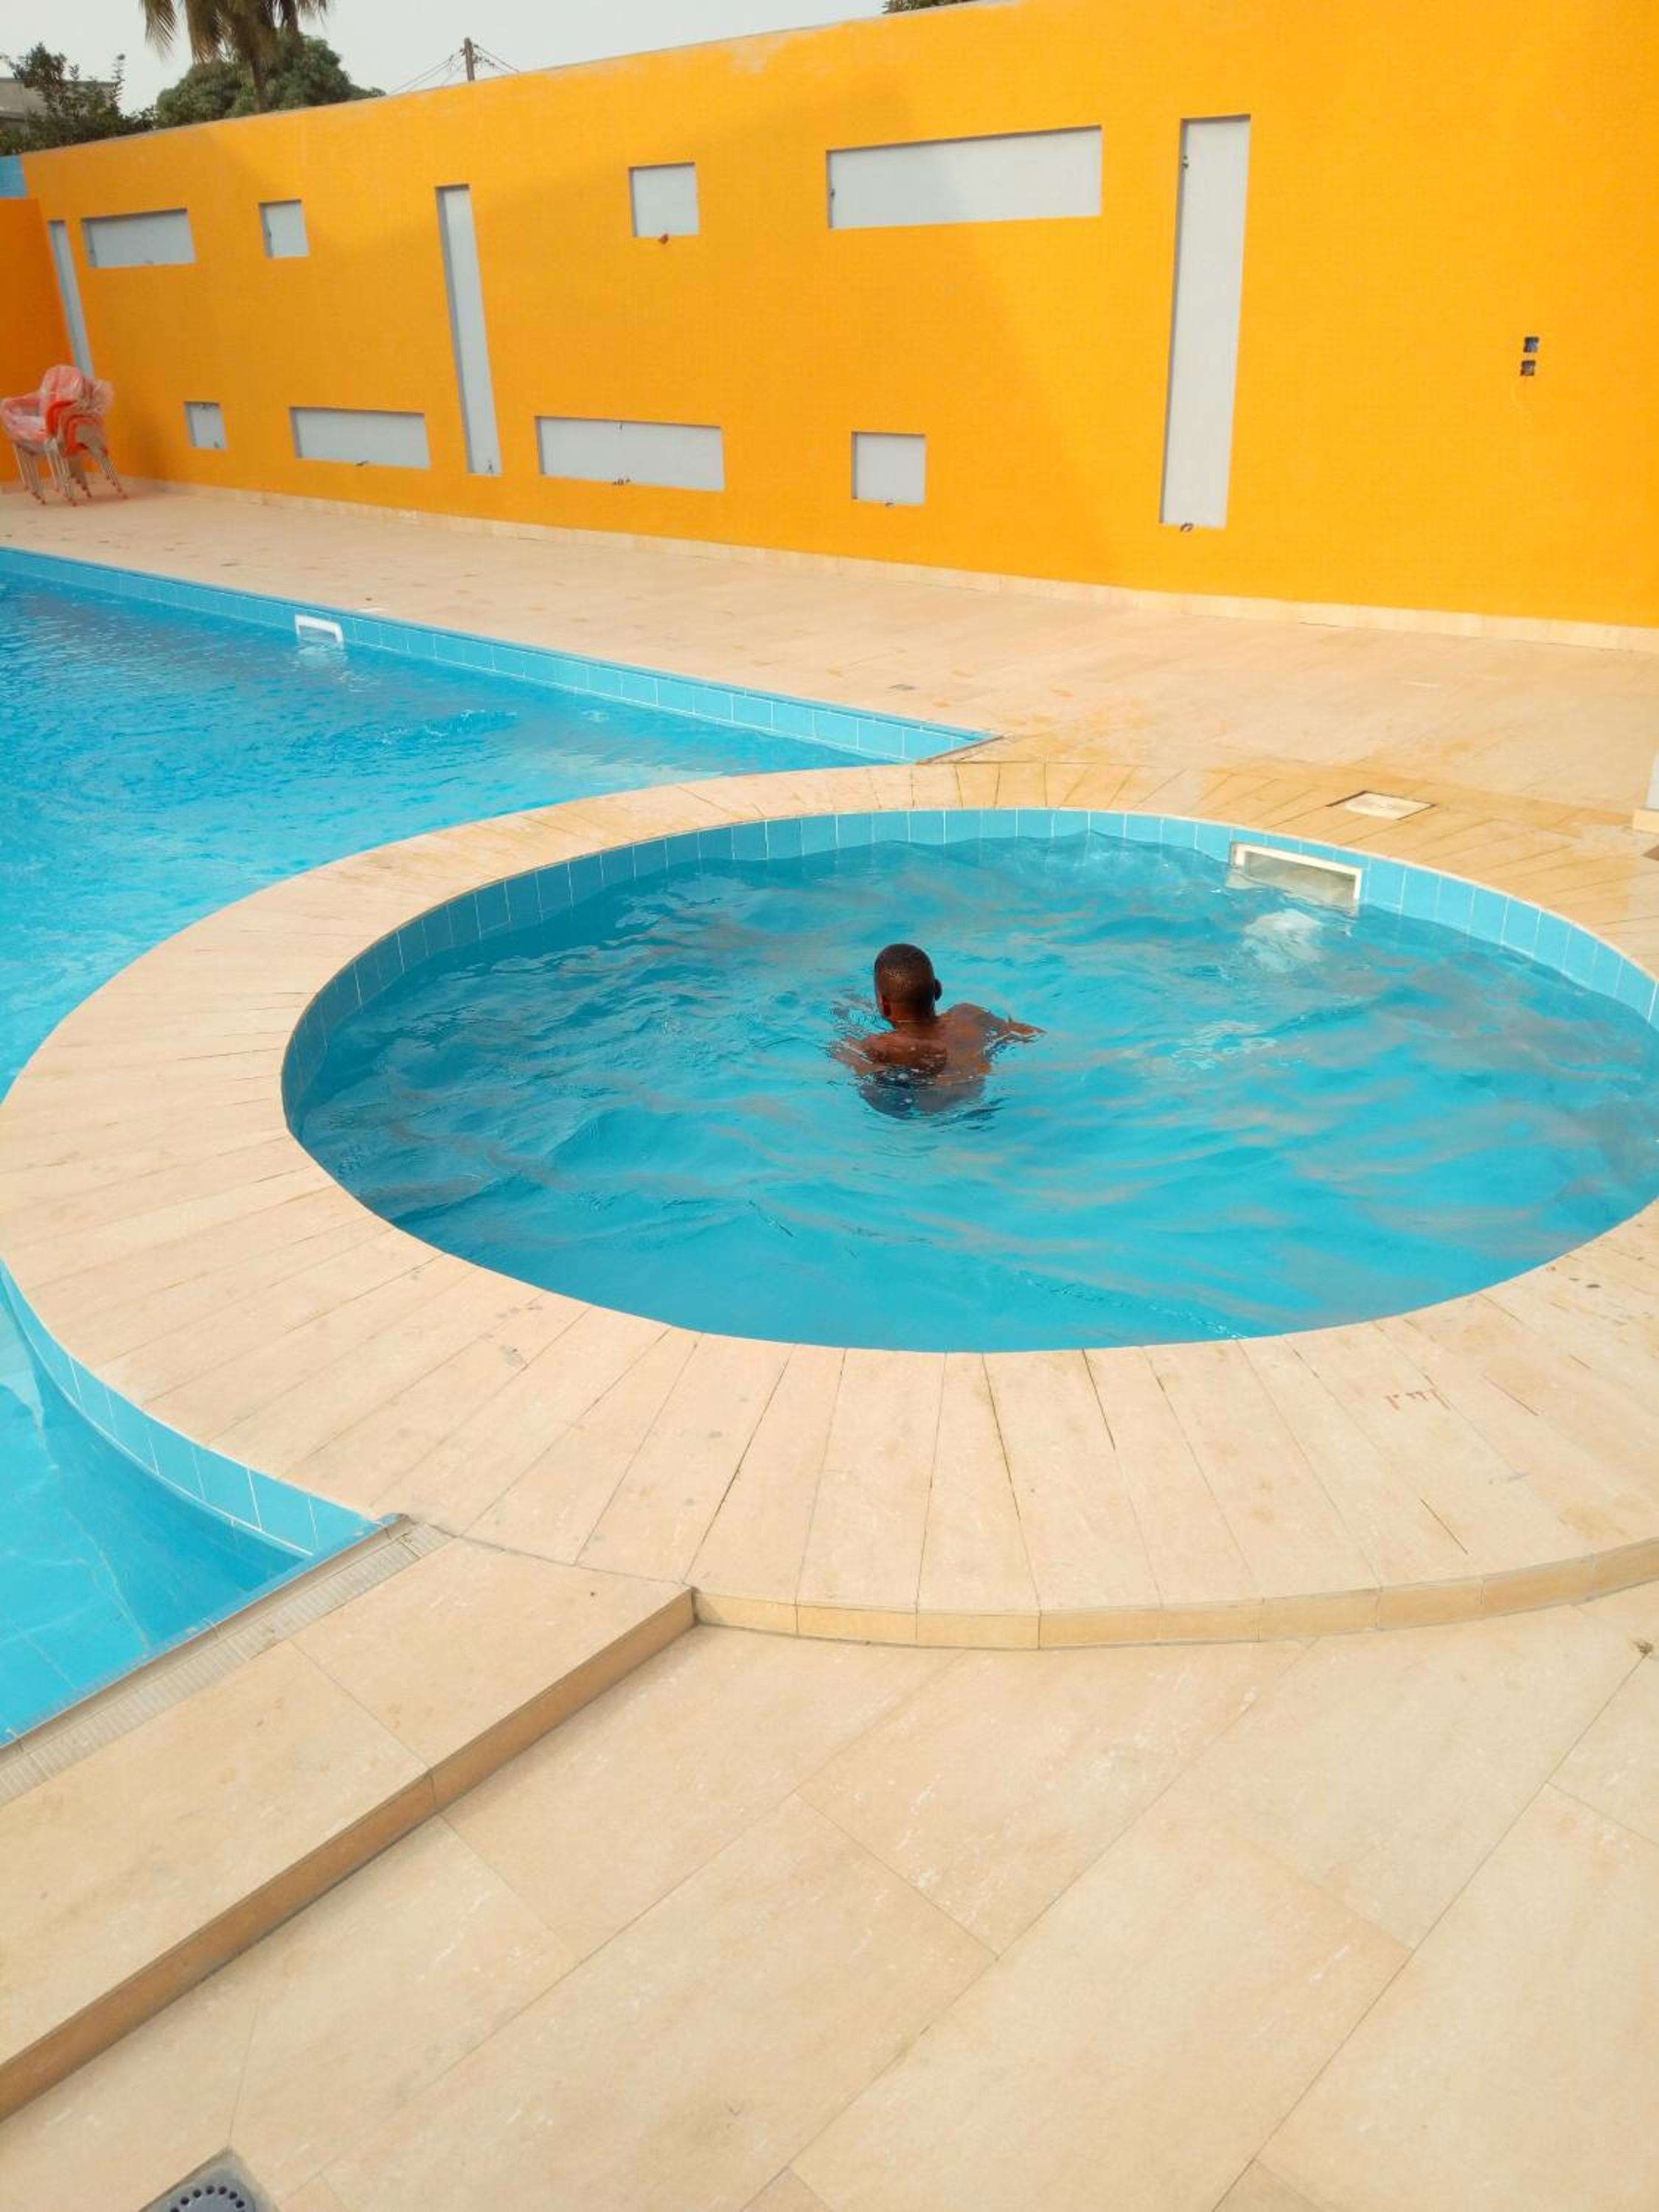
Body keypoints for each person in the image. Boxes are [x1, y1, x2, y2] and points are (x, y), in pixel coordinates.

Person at [834, 942, 1038, 1088]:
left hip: (933, 1119)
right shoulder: (971, 1014)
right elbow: (1025, 1033)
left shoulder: (880, 1047)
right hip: (982, 1098)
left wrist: (843, 1020)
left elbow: (850, 1066)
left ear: (885, 1005)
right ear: (938, 989)